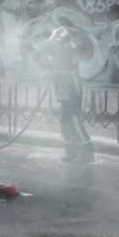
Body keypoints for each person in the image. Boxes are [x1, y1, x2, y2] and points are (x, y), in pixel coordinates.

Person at [44, 27, 94, 163]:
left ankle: (86, 152)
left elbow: (57, 65)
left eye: (55, 41)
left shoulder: (66, 52)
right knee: (66, 124)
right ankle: (71, 152)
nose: (52, 44)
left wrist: (43, 56)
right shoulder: (61, 52)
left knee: (74, 122)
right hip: (64, 92)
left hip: (71, 91)